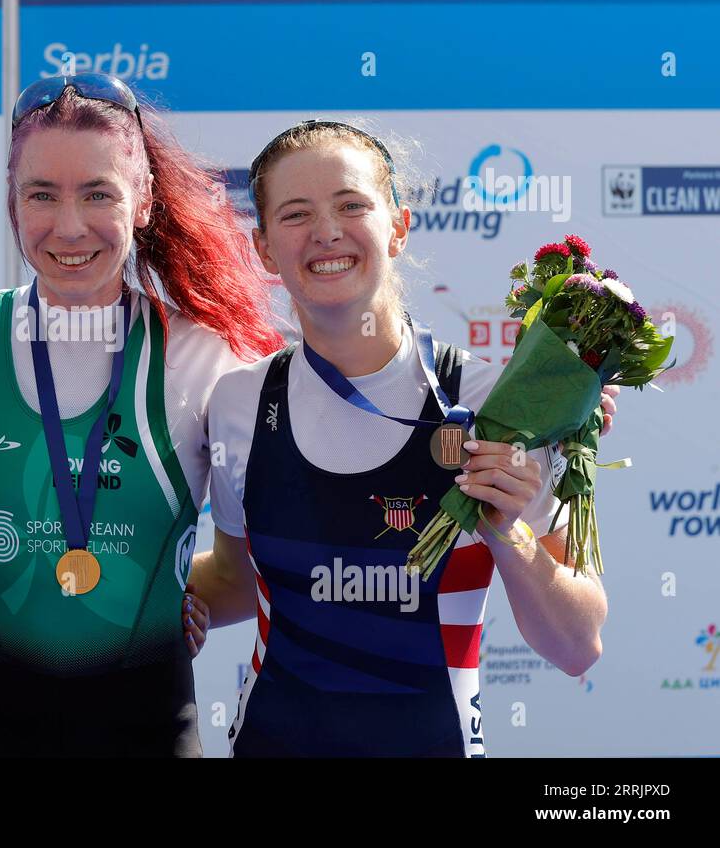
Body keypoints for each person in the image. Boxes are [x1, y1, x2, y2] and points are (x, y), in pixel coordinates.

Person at [189, 120, 615, 757]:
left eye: (352, 205)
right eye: (296, 213)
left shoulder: (492, 405)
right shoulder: (238, 404)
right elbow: (236, 577)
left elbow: (577, 646)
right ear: (263, 248)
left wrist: (507, 529)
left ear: (399, 226)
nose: (326, 232)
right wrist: (119, 599)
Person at [0, 73, 279, 756]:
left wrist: (176, 600)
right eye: (42, 195)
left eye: (98, 193)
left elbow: (259, 566)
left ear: (143, 201)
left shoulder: (201, 359)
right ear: (12, 203)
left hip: (153, 731)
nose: (69, 227)